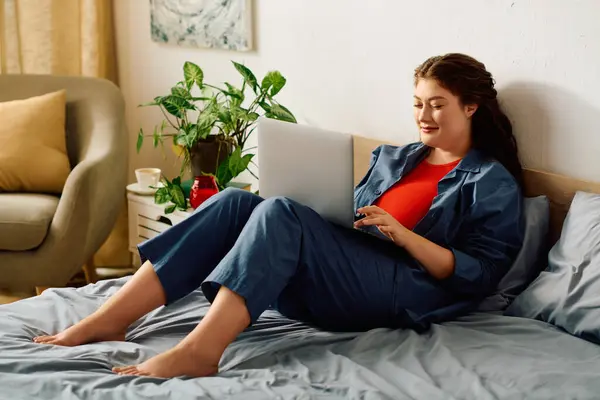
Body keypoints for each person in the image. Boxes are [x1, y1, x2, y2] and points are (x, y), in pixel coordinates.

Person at [33, 53, 525, 379]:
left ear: (472, 106)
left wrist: (403, 236)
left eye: (438, 105)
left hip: (405, 289)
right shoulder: (396, 158)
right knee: (235, 203)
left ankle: (202, 351)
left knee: (283, 215)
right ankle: (111, 319)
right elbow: (341, 214)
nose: (424, 115)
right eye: (418, 104)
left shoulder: (491, 181)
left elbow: (478, 276)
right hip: (351, 270)